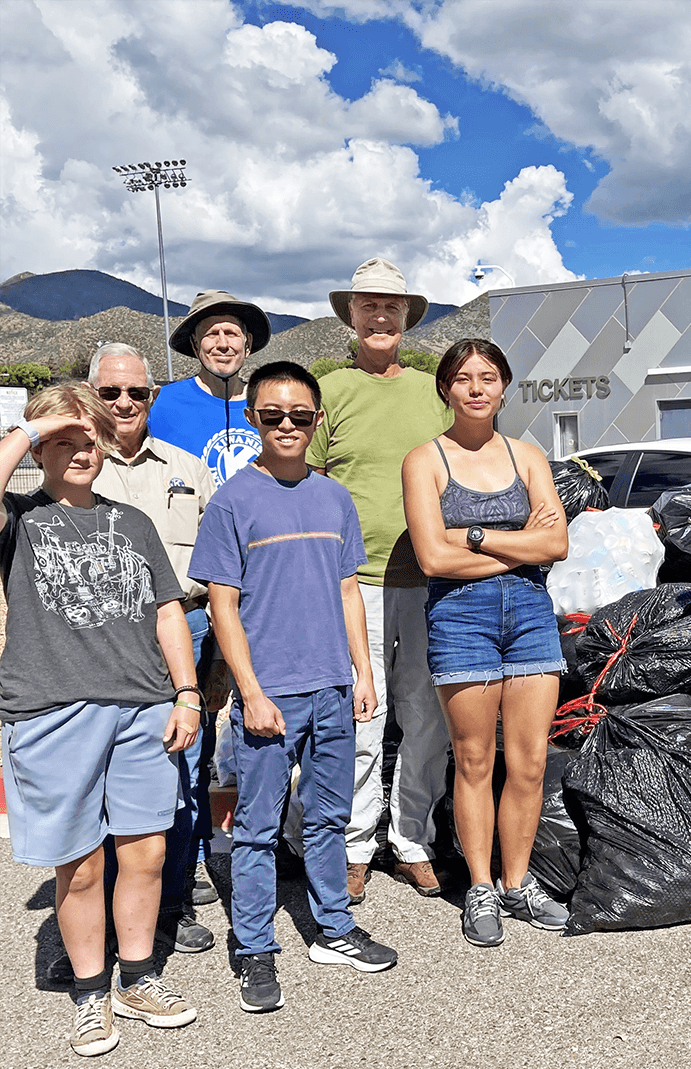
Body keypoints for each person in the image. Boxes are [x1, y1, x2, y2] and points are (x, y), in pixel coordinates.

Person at [189, 361, 397, 1013]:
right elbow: (222, 605)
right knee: (254, 829)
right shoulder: (232, 502)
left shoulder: (333, 498)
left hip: (333, 689)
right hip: (268, 696)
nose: (286, 425)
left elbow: (345, 592)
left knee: (329, 817)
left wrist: (363, 674)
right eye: (272, 415)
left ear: (316, 421)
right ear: (252, 419)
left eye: (299, 416)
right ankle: (253, 945)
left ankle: (331, 928)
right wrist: (249, 691)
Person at [1, 383, 200, 1057]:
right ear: (38, 444)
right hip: (53, 711)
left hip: (143, 706)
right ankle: (90, 989)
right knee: (79, 864)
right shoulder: (18, 518)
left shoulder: (132, 521)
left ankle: (136, 976)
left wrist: (187, 692)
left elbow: (167, 610)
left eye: (90, 437)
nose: (81, 448)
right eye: (64, 437)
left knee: (144, 852)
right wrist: (37, 428)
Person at [403, 338, 569, 947]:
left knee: (528, 762)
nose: (476, 387)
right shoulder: (426, 461)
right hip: (460, 620)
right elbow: (431, 558)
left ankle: (518, 884)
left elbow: (555, 546)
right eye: (464, 378)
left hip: (530, 616)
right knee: (474, 760)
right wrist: (512, 543)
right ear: (445, 389)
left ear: (504, 388)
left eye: (489, 377)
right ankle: (478, 886)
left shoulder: (528, 457)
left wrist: (469, 536)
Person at [308, 258, 453, 904]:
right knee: (362, 717)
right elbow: (305, 482)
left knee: (426, 717)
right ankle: (354, 844)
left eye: (390, 306)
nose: (379, 316)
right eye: (368, 305)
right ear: (352, 316)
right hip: (351, 582)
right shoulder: (330, 390)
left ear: (405, 318)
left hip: (428, 580)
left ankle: (414, 840)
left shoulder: (433, 392)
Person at [86, 343, 222, 958]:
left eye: (136, 393)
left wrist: (217, 660)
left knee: (183, 775)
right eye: (110, 392)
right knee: (98, 779)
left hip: (186, 635)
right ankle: (96, 921)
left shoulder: (189, 470)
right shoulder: (73, 468)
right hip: (100, 641)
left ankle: (169, 903)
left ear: (152, 398)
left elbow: (225, 565)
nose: (123, 403)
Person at [149, 290, 272, 486]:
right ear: (195, 343)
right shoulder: (159, 404)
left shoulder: (270, 406)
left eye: (231, 334)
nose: (222, 344)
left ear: (247, 343)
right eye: (212, 334)